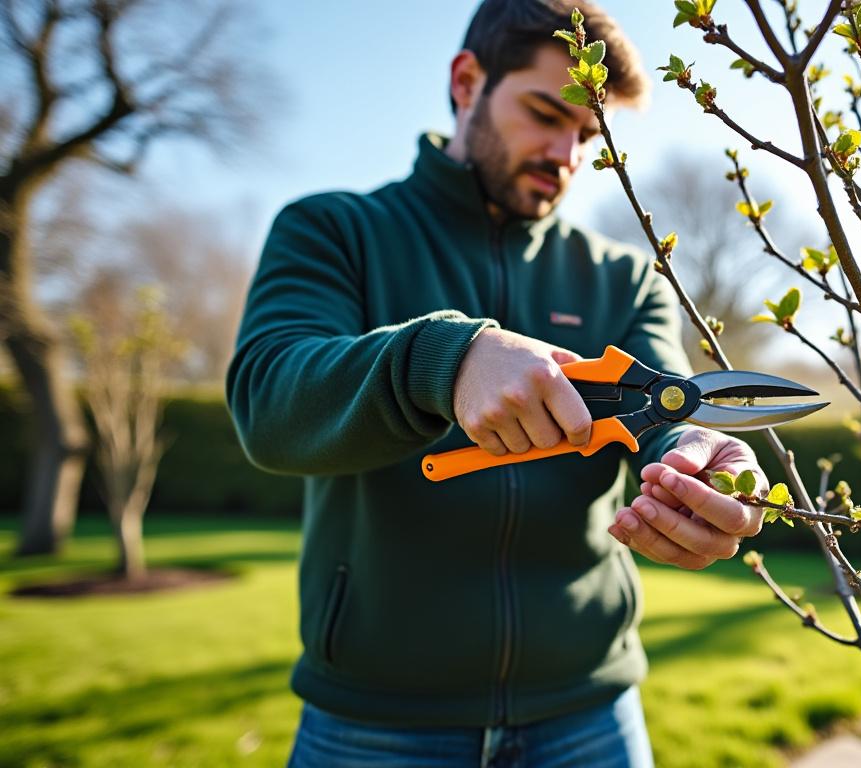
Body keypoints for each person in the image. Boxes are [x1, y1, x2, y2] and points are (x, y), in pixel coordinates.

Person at [225, 1, 769, 765]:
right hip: (373, 725)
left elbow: (664, 406)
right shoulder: (333, 231)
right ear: (466, 79)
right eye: (546, 113)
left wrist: (704, 458)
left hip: (592, 717)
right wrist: (439, 360)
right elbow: (267, 401)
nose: (566, 153)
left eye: (587, 135)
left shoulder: (623, 278)